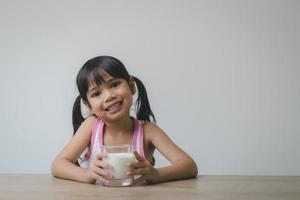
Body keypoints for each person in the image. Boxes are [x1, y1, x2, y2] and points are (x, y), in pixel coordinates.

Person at [51, 56, 198, 185]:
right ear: (88, 105)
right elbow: (58, 165)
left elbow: (189, 166)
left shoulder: (148, 131)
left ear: (131, 86)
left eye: (114, 84)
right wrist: (87, 174)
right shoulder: (92, 126)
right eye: (96, 93)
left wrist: (156, 174)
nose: (109, 96)